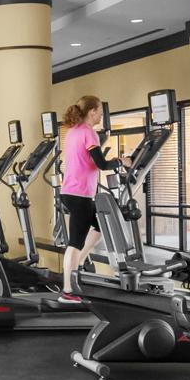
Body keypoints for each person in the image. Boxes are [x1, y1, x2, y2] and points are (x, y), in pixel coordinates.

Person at [57, 95, 118, 301]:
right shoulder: (89, 132)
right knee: (74, 243)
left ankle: (80, 262)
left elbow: (85, 160)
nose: (101, 115)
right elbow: (101, 164)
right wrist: (122, 161)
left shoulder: (73, 132)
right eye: (100, 111)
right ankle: (68, 290)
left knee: (102, 224)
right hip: (79, 194)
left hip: (70, 192)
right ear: (92, 111)